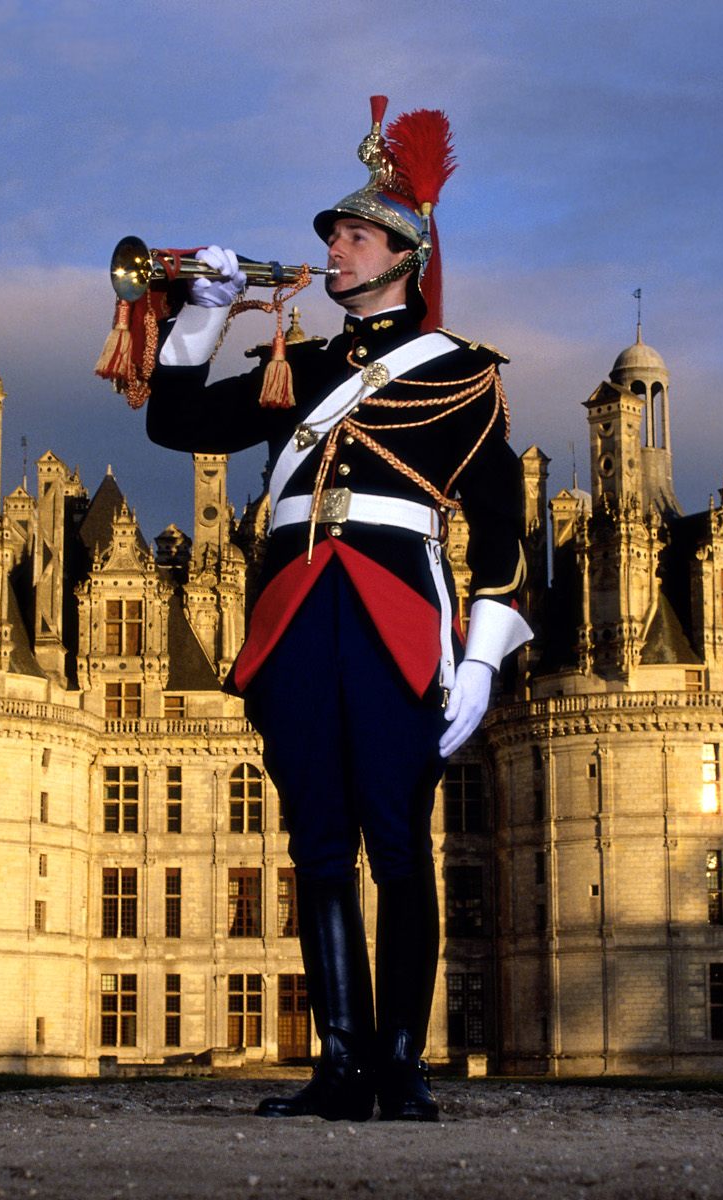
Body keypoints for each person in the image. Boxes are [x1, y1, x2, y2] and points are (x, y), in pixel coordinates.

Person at [143, 97, 532, 1122]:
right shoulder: (303, 363)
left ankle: (401, 1064)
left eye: (352, 236)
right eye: (332, 237)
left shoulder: (462, 374)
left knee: (397, 845)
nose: (332, 251)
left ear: (402, 254)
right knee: (317, 844)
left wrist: (483, 656)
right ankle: (340, 1063)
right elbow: (175, 425)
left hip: (399, 609)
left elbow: (498, 526)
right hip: (292, 612)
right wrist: (203, 314)